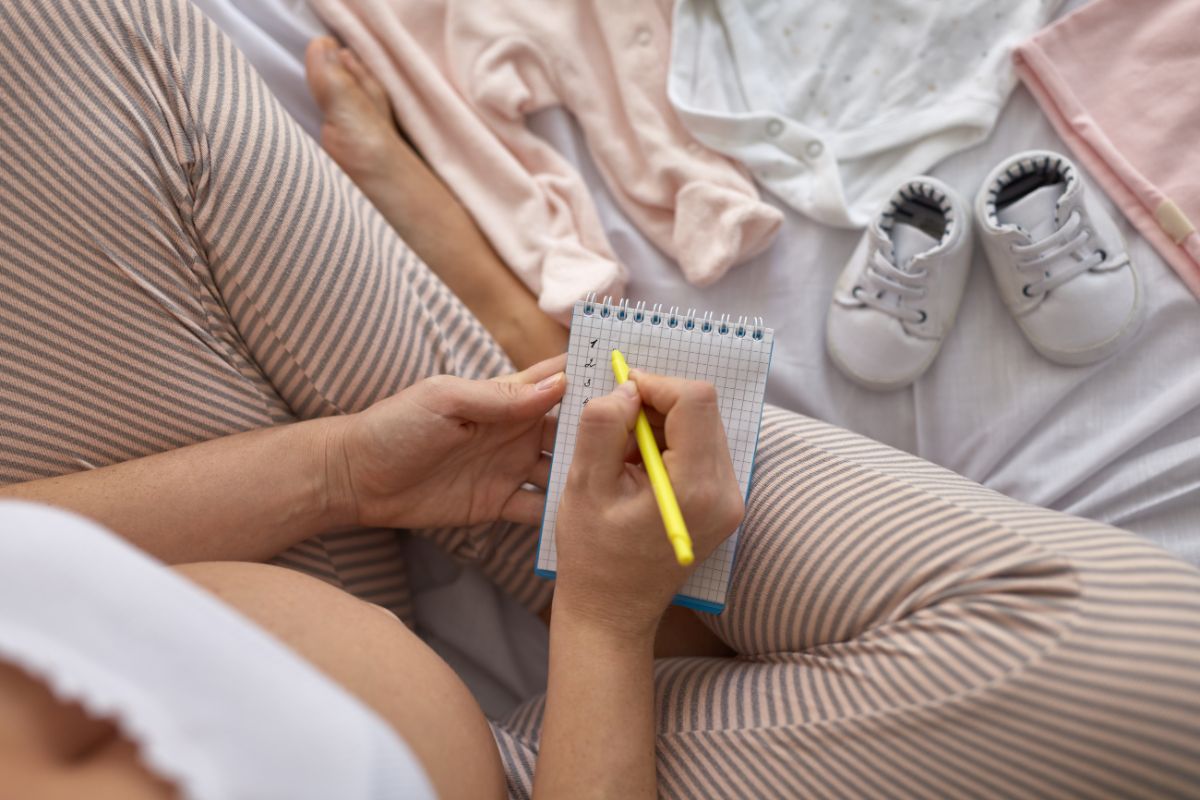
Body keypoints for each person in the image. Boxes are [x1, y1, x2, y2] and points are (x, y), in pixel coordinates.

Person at [1, 1, 1198, 797]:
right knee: (1163, 672)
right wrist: (607, 627)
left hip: (240, 520)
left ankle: (519, 357)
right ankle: (531, 353)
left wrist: (344, 470)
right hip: (526, 773)